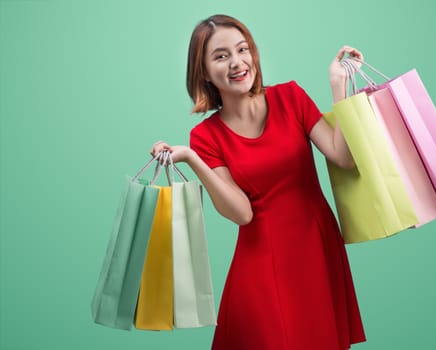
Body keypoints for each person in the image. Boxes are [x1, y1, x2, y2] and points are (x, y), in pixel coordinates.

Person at [150, 14, 366, 350]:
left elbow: (342, 156)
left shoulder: (291, 97)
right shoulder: (205, 136)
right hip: (261, 263)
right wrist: (193, 159)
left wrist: (337, 86)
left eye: (243, 49)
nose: (237, 63)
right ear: (204, 71)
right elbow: (241, 213)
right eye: (221, 56)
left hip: (316, 247)